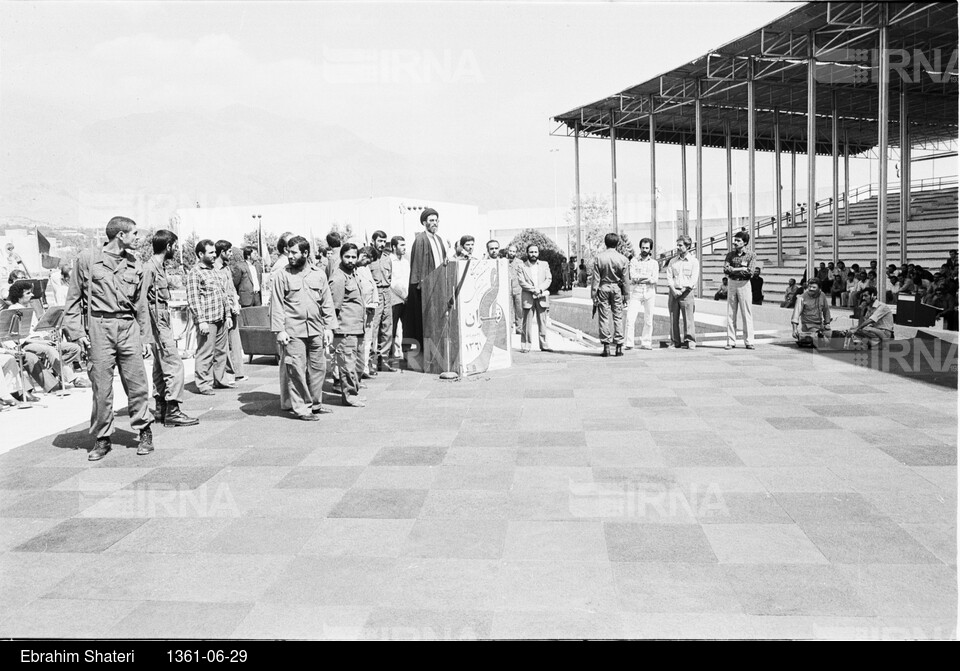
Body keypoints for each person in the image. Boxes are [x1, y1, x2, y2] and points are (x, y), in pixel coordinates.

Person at [63, 216, 154, 461]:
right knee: (101, 387)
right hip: (99, 327)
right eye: (134, 234)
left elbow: (141, 305)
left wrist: (145, 338)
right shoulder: (88, 259)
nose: (138, 238)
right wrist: (77, 333)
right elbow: (72, 299)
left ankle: (144, 430)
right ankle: (102, 438)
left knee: (137, 384)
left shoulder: (137, 264)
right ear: (120, 236)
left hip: (128, 326)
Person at [271, 236, 337, 420]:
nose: (290, 256)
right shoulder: (282, 275)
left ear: (305, 253)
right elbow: (276, 305)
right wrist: (279, 330)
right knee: (296, 370)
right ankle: (302, 408)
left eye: (294, 252)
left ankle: (315, 404)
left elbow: (327, 303)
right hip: (293, 332)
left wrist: (329, 328)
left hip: (316, 329)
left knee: (318, 369)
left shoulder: (319, 274)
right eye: (288, 252)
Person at [143, 230, 198, 427]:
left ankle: (162, 408)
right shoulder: (149, 268)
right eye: (174, 246)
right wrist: (145, 334)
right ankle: (172, 409)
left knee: (160, 365)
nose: (175, 249)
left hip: (159, 319)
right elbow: (141, 301)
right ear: (168, 246)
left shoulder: (158, 267)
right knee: (174, 365)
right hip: (156, 320)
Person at [3, 280, 86, 393]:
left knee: (74, 348)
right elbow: (22, 338)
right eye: (28, 293)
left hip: (40, 341)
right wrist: (44, 343)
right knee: (49, 350)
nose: (32, 295)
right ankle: (74, 379)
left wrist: (47, 336)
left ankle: (55, 369)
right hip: (27, 344)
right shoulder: (14, 310)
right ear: (19, 296)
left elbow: (36, 329)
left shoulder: (29, 308)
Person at [185, 239, 233, 396]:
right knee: (205, 352)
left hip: (220, 318)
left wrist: (227, 315)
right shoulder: (195, 273)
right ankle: (203, 383)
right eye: (211, 252)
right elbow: (194, 299)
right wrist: (201, 320)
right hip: (208, 320)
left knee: (221, 352)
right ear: (200, 254)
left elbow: (223, 294)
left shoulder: (215, 270)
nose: (214, 255)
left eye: (215, 252)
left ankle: (220, 380)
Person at [405, 208, 446, 359]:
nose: (434, 223)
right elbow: (418, 266)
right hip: (425, 289)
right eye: (431, 221)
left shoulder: (438, 239)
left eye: (436, 220)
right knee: (424, 322)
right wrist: (422, 287)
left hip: (439, 286)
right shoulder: (421, 240)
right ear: (424, 223)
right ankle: (425, 355)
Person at [329, 243, 366, 407]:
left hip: (358, 327)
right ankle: (349, 396)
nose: (351, 260)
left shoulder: (353, 274)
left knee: (358, 363)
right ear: (341, 257)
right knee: (347, 365)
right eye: (347, 257)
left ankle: (354, 392)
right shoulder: (338, 277)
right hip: (345, 329)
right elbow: (334, 307)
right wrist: (332, 330)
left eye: (353, 257)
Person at [591, 233, 630, 357]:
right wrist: (626, 295)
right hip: (617, 289)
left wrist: (593, 294)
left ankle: (606, 346)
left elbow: (595, 279)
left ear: (605, 242)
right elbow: (625, 280)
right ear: (617, 243)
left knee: (604, 317)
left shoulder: (599, 258)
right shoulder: (623, 259)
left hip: (603, 287)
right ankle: (619, 346)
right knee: (618, 316)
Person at [214, 240, 245, 382]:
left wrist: (235, 302)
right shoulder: (214, 268)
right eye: (229, 252)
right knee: (223, 344)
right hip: (222, 310)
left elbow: (231, 287)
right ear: (222, 252)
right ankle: (227, 373)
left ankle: (238, 372)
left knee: (235, 341)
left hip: (232, 307)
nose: (232, 254)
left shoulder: (226, 268)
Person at [518, 243, 554, 353]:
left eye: (535, 252)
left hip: (541, 297)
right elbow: (521, 281)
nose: (533, 254)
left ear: (538, 253)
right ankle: (526, 345)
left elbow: (548, 279)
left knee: (542, 322)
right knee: (527, 323)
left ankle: (544, 345)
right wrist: (534, 289)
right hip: (528, 297)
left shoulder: (544, 264)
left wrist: (540, 289)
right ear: (527, 253)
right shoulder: (522, 266)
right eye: (531, 252)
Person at [723, 231, 756, 349]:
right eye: (735, 240)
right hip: (732, 283)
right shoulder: (730, 255)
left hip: (744, 284)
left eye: (738, 241)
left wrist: (734, 269)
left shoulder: (751, 255)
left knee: (746, 312)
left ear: (745, 242)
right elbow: (726, 270)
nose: (735, 243)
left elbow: (750, 272)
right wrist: (741, 268)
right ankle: (731, 341)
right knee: (731, 313)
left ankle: (749, 341)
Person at [369, 231, 396, 373]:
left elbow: (390, 276)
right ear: (373, 241)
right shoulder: (369, 258)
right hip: (375, 293)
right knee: (373, 328)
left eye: (384, 241)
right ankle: (370, 362)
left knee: (387, 327)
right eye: (379, 241)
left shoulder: (387, 258)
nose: (381, 244)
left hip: (387, 292)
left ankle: (383, 360)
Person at [666, 235, 699, 349]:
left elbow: (693, 279)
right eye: (678, 245)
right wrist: (674, 290)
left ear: (688, 246)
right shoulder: (673, 261)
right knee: (673, 317)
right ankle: (675, 341)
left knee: (688, 318)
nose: (678, 248)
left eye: (681, 245)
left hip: (687, 293)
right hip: (674, 293)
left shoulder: (694, 261)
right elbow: (669, 277)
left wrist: (684, 290)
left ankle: (690, 340)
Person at [625, 237, 657, 350]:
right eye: (643, 247)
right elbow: (633, 277)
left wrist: (641, 278)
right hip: (637, 292)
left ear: (650, 249)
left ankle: (646, 342)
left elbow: (654, 279)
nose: (644, 249)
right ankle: (629, 343)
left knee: (648, 319)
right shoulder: (634, 261)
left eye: (647, 248)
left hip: (649, 292)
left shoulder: (654, 263)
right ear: (640, 248)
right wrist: (646, 277)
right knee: (630, 318)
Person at [791, 280, 832, 347]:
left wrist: (827, 323)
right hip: (808, 327)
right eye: (810, 287)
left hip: (821, 326)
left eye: (814, 287)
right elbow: (796, 314)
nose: (811, 289)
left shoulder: (822, 295)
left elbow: (826, 310)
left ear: (819, 288)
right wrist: (794, 329)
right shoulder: (801, 298)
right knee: (825, 342)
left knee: (835, 339)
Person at [388, 235, 408, 362]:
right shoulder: (390, 261)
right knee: (392, 327)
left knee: (406, 327)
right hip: (395, 298)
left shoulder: (405, 262)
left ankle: (406, 354)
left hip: (406, 299)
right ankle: (389, 357)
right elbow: (392, 282)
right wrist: (403, 295)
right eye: (401, 245)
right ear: (394, 247)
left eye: (405, 245)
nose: (404, 248)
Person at [506, 244, 523, 335]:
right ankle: (509, 328)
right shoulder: (504, 262)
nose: (511, 253)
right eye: (510, 251)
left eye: (514, 251)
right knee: (509, 310)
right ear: (507, 251)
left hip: (518, 289)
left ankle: (519, 328)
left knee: (519, 309)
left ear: (516, 253)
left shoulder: (520, 263)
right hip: (507, 290)